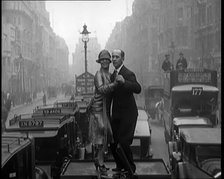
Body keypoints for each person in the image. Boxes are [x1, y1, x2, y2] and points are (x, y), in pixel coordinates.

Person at [110, 49, 141, 174]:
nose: (114, 59)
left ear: (123, 58)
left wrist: (124, 82)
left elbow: (138, 88)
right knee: (113, 142)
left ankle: (130, 168)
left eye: (117, 57)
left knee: (123, 142)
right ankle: (120, 165)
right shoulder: (113, 75)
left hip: (128, 115)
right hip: (117, 115)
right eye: (113, 57)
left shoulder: (128, 73)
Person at [88, 49, 118, 173]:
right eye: (102, 60)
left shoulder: (109, 74)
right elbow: (101, 89)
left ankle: (100, 162)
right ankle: (99, 163)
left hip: (105, 110)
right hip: (98, 110)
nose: (105, 61)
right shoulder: (98, 74)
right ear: (100, 62)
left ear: (109, 61)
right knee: (99, 139)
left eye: (107, 59)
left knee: (105, 137)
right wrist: (115, 84)